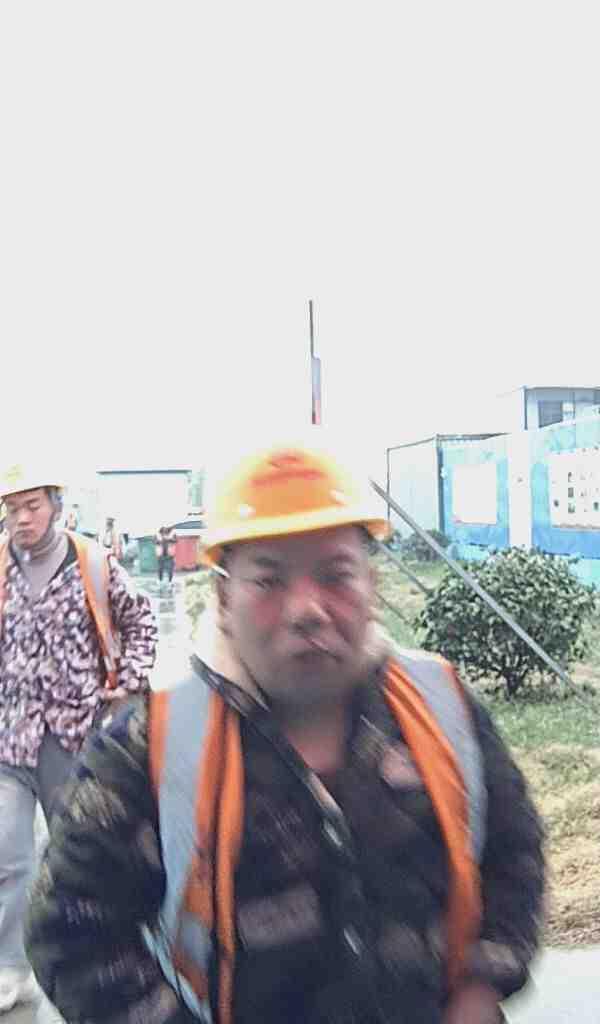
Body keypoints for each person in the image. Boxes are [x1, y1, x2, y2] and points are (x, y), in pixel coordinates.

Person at [25, 442, 544, 1024]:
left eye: (335, 575)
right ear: (223, 599)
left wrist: (481, 985)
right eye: (269, 580)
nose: (306, 610)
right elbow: (70, 929)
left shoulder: (443, 707)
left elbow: (514, 852)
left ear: (372, 583)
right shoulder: (150, 749)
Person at [0, 462, 158, 1015]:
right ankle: (11, 967)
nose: (22, 518)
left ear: (55, 505)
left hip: (73, 737)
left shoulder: (91, 563)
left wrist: (129, 681)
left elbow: (141, 622)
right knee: (7, 855)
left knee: (76, 856)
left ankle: (88, 957)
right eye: (12, 509)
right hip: (11, 737)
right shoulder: (0, 568)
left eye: (32, 506)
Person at [155, 524, 177, 590]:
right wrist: (160, 541)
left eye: (167, 527)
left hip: (170, 555)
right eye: (164, 527)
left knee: (170, 569)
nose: (165, 528)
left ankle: (170, 582)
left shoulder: (172, 533)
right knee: (160, 569)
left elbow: (175, 540)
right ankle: (160, 581)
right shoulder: (158, 534)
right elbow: (154, 541)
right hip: (160, 554)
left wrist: (168, 539)